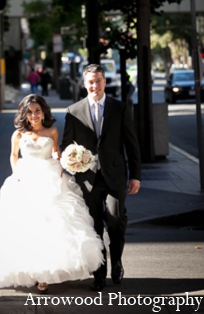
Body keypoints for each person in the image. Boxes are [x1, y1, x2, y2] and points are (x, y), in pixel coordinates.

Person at [0, 94, 104, 294]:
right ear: (25, 114)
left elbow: (56, 152)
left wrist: (66, 161)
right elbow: (14, 155)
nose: (34, 115)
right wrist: (17, 174)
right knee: (27, 224)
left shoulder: (53, 131)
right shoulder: (19, 134)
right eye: (30, 112)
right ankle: (33, 271)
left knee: (52, 223)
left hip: (51, 177)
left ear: (43, 111)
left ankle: (44, 275)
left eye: (37, 111)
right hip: (26, 177)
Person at [61, 64, 141, 292]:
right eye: (90, 82)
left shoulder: (119, 108)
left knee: (115, 219)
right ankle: (99, 272)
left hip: (115, 176)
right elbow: (66, 146)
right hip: (87, 179)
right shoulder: (73, 111)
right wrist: (73, 162)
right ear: (84, 84)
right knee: (94, 226)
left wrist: (135, 176)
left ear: (104, 81)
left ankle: (116, 260)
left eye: (98, 81)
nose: (94, 85)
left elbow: (131, 144)